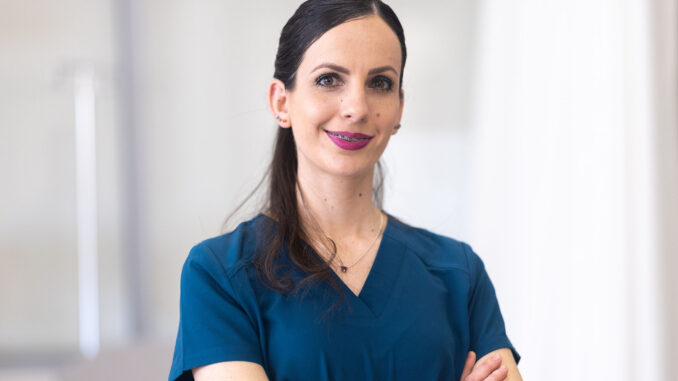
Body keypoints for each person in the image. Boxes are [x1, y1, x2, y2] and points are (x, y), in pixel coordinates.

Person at [169, 1, 522, 380]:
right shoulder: (220, 275)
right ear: (281, 102)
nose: (356, 107)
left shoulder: (458, 273)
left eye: (380, 83)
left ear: (399, 108)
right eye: (328, 80)